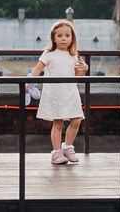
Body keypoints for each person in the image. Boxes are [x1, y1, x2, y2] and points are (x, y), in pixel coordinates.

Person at [30, 19, 89, 165]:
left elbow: (76, 76)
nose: (64, 39)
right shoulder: (48, 54)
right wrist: (29, 82)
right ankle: (56, 152)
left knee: (76, 120)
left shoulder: (73, 55)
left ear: (72, 38)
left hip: (70, 92)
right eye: (60, 36)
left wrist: (85, 69)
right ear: (54, 38)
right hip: (55, 92)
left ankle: (67, 146)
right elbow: (37, 70)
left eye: (67, 36)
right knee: (58, 123)